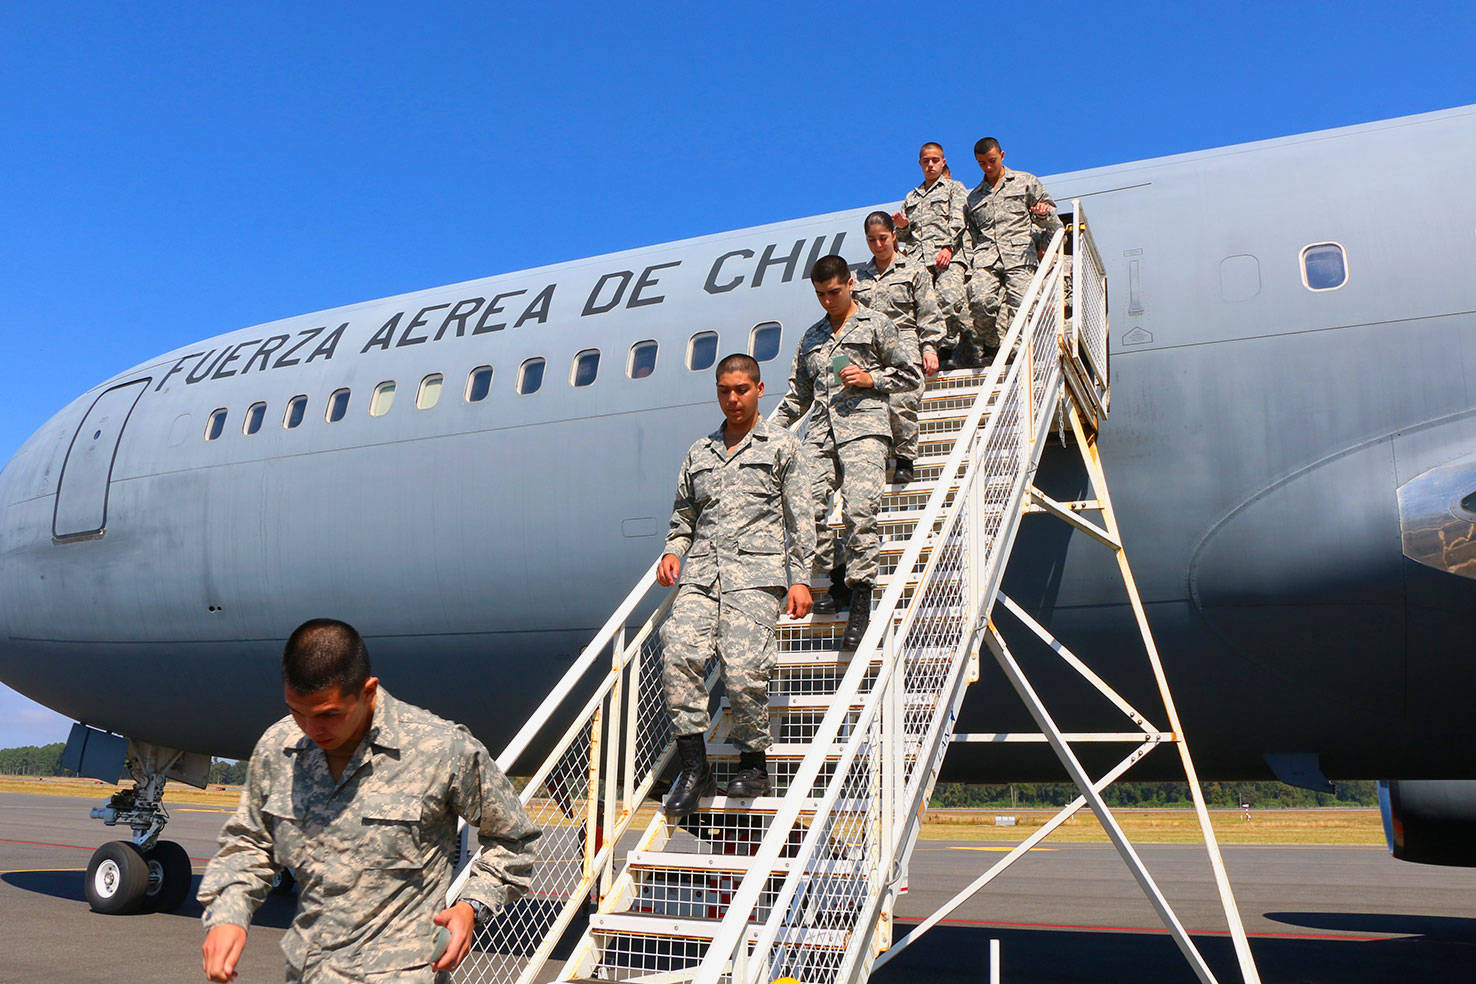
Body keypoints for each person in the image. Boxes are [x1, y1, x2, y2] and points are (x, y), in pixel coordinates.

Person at [198, 619, 540, 984]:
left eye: (329, 714)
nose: (312, 730)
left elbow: (513, 839)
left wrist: (471, 906)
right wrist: (229, 915)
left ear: (368, 691)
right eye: (298, 712)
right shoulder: (278, 747)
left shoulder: (440, 748)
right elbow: (249, 842)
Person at [657, 354, 815, 815]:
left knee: (744, 669)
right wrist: (673, 550)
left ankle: (752, 762)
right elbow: (684, 516)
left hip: (755, 578)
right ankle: (694, 767)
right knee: (677, 651)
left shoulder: (782, 446)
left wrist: (800, 579)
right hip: (703, 576)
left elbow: (800, 521)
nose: (732, 398)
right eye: (724, 390)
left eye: (741, 389)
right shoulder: (699, 452)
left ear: (759, 390)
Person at [773, 255, 922, 650]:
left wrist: (871, 378)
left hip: (864, 429)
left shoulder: (876, 325)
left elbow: (911, 374)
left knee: (860, 509)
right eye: (820, 295)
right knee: (804, 509)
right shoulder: (812, 337)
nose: (827, 301)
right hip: (820, 434)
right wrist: (764, 433)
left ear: (851, 284)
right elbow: (797, 398)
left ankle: (860, 599)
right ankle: (837, 573)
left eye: (834, 292)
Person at [853, 211, 945, 486]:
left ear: (894, 235)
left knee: (900, 400)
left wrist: (929, 348)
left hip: (904, 342)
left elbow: (928, 313)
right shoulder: (857, 278)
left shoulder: (914, 270)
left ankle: (904, 459)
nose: (878, 245)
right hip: (869, 347)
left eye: (883, 238)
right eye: (872, 240)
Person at [963, 137, 1062, 364]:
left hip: (1019, 256)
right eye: (981, 163)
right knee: (978, 301)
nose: (988, 167)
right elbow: (973, 234)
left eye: (992, 161)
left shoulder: (1026, 182)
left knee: (1023, 310)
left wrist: (1042, 213)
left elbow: (1054, 222)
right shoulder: (974, 197)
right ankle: (991, 344)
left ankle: (1018, 359)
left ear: (1002, 155)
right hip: (986, 258)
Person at [893, 141, 971, 365]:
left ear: (943, 162)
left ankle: (947, 348)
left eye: (935, 160)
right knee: (922, 307)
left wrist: (947, 247)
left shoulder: (954, 188)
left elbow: (959, 220)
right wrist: (902, 226)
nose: (930, 165)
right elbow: (905, 238)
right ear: (919, 163)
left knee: (949, 297)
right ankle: (930, 351)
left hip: (949, 255)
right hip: (920, 261)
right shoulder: (912, 197)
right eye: (926, 161)